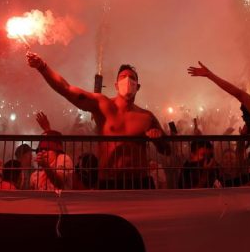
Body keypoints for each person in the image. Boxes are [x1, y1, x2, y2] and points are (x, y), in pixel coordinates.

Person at [27, 52, 170, 189]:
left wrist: (158, 139)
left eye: (132, 78)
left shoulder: (147, 117)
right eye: (123, 77)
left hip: (139, 181)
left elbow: (167, 150)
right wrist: (42, 67)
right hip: (109, 181)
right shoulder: (103, 105)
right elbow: (67, 89)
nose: (127, 80)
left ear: (137, 86)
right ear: (116, 85)